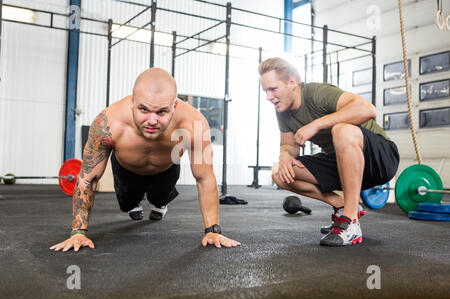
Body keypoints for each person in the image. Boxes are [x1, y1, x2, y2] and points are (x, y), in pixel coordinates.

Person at [50, 68, 241, 252]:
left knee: (160, 198)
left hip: (166, 169)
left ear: (174, 106)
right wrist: (78, 232)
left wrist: (213, 231)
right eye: (144, 109)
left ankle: (161, 202)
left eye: (161, 112)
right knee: (128, 205)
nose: (152, 120)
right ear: (133, 101)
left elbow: (204, 178)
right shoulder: (108, 123)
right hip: (126, 171)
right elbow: (87, 178)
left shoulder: (195, 124)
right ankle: (135, 201)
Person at [258, 57, 399, 246]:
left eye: (273, 89)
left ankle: (351, 223)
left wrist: (315, 125)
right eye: (265, 91)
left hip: (380, 159)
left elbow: (367, 109)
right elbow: (288, 145)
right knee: (279, 173)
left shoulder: (316, 93)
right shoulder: (282, 109)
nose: (269, 97)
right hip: (343, 164)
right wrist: (284, 155)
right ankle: (343, 206)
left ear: (292, 82)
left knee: (342, 130)